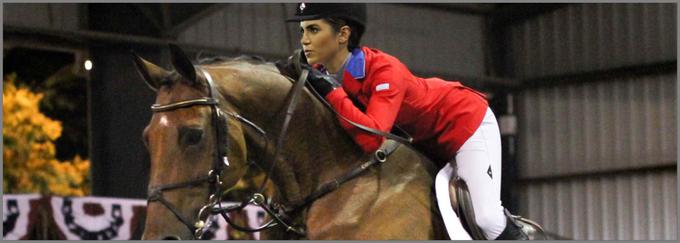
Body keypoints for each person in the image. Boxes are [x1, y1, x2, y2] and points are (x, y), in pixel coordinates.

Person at [282, 3, 527, 240]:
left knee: (487, 218)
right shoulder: (321, 75)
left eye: (314, 30)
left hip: (464, 123)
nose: (304, 39)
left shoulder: (383, 69)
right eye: (302, 30)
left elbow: (371, 137)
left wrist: (331, 92)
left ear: (343, 34)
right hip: (426, 142)